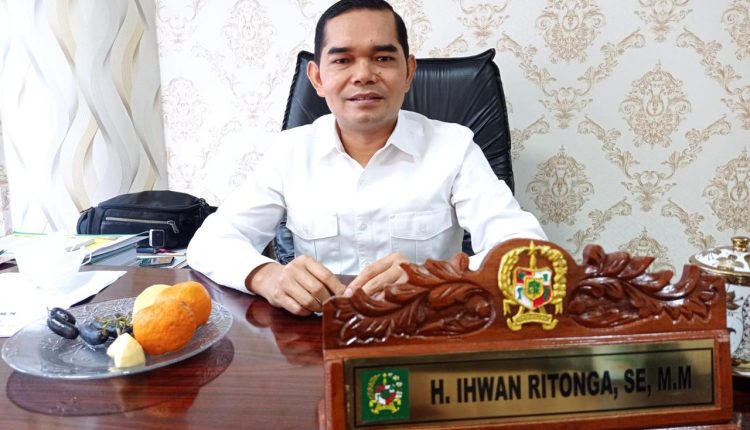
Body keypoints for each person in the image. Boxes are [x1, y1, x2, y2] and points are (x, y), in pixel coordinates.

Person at [187, 0, 547, 316]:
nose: (363, 75)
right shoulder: (289, 152)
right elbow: (211, 242)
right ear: (317, 78)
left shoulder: (454, 147)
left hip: (427, 329)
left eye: (383, 58)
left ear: (409, 72)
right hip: (320, 333)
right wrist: (267, 276)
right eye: (343, 60)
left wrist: (432, 277)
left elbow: (529, 251)